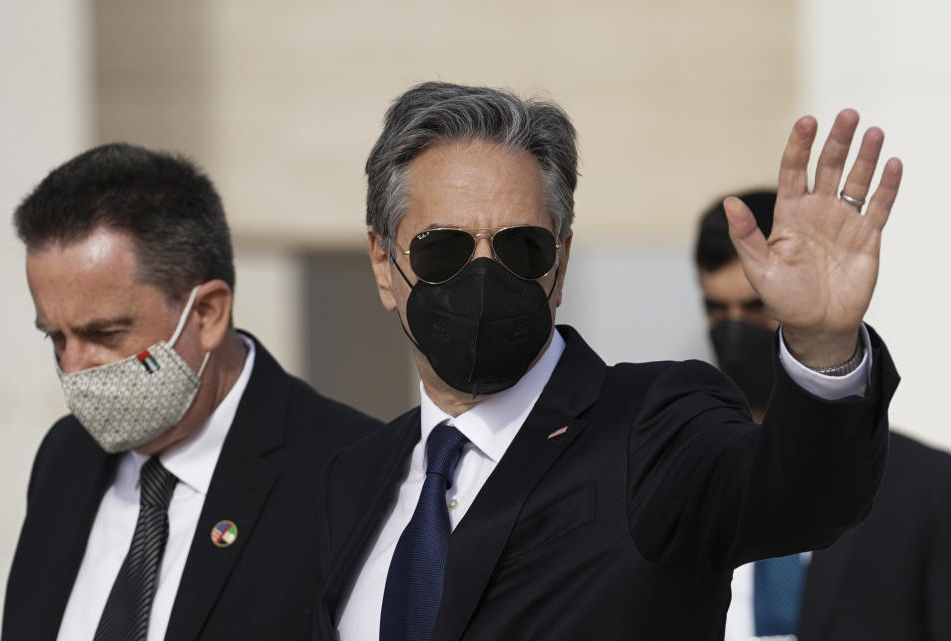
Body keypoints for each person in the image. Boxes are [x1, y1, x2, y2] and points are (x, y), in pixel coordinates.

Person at [312, 81, 902, 641]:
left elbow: (803, 497)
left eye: (522, 246)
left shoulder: (655, 428)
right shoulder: (352, 478)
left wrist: (823, 345)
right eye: (443, 247)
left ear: (560, 263)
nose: (484, 275)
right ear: (383, 264)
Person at [2, 144, 380, 641]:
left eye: (106, 334)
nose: (73, 368)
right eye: (56, 337)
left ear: (207, 315)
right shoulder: (65, 456)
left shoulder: (351, 473)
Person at [696, 188, 951, 641]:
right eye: (717, 309)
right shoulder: (688, 479)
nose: (734, 328)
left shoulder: (927, 490)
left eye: (758, 307)